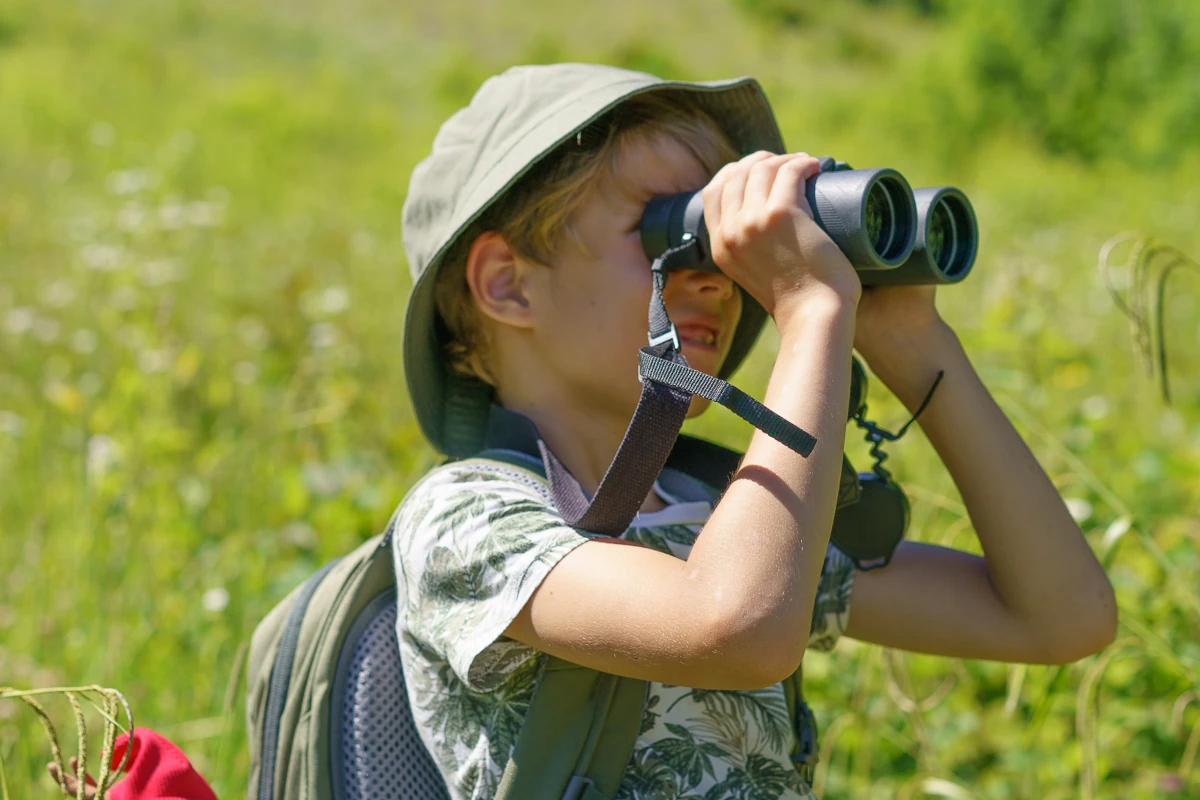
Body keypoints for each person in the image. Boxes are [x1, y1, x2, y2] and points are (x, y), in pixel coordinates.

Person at [392, 63, 1117, 799]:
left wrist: (912, 340)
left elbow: (1060, 618)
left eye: (725, 239)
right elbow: (734, 628)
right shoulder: (468, 520)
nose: (717, 276)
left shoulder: (717, 513)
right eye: (674, 231)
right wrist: (810, 311)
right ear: (508, 284)